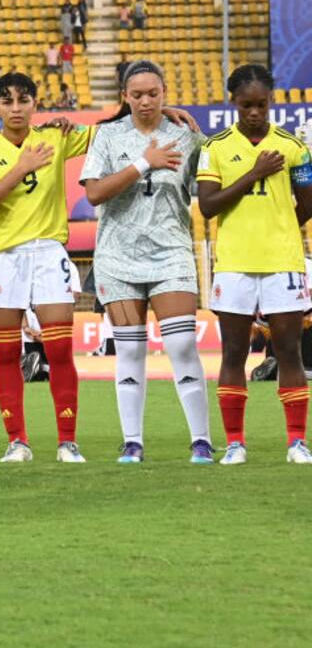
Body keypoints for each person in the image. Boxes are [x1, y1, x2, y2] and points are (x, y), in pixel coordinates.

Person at [80, 60, 211, 463]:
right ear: (124, 97)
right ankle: (133, 442)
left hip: (171, 253)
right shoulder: (107, 135)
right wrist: (143, 162)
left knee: (182, 344)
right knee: (130, 353)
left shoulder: (186, 138)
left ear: (165, 92)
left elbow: (211, 172)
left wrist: (192, 131)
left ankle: (201, 441)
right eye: (136, 94)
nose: (145, 101)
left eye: (153, 93)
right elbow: (96, 193)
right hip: (118, 257)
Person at [0, 72, 89, 463]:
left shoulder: (55, 136)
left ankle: (67, 442)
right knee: (6, 355)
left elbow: (116, 127)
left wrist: (165, 109)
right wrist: (22, 167)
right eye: (7, 101)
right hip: (3, 258)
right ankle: (17, 441)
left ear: (36, 104)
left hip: (49, 252)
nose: (16, 109)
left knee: (59, 350)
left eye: (24, 100)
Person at [196, 65, 312, 464]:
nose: (254, 112)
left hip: (283, 262)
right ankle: (234, 443)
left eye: (261, 104)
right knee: (233, 351)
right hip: (234, 264)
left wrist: (278, 225)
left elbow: (309, 202)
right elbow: (209, 205)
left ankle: (297, 442)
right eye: (246, 105)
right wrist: (256, 172)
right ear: (234, 103)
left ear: (271, 102)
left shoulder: (295, 146)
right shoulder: (215, 147)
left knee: (289, 351)